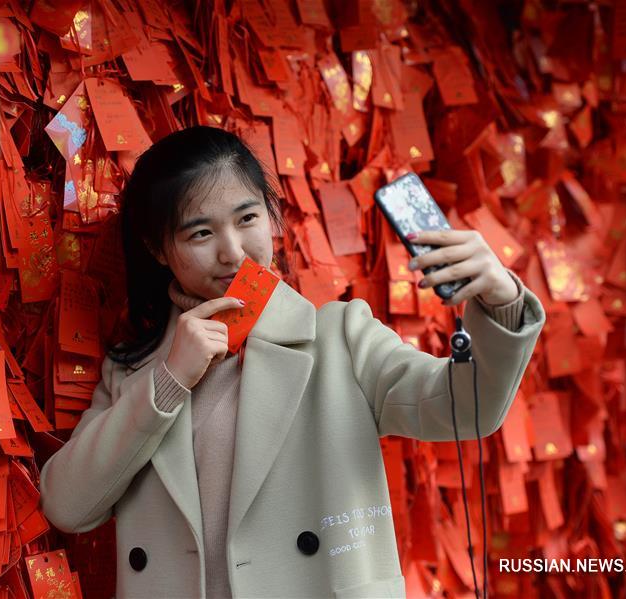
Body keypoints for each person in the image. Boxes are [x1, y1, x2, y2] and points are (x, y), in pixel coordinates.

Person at [38, 126, 546, 598]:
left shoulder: (338, 338)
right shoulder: (135, 371)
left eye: (247, 218)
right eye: (200, 234)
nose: (233, 252)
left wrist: (500, 301)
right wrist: (169, 381)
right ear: (158, 248)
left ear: (271, 216)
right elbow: (68, 505)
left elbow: (466, 409)